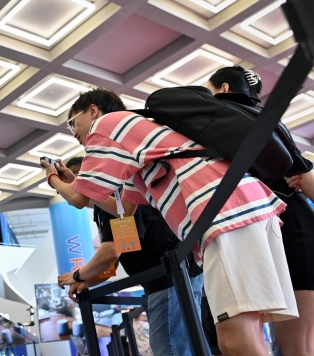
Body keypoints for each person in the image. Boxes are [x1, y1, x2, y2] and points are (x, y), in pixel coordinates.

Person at [42, 87, 297, 355]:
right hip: (241, 206)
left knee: (235, 339)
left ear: (93, 110)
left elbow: (78, 199)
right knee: (250, 330)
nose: (74, 132)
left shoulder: (107, 125)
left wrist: (52, 178)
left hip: (221, 214)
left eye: (73, 122)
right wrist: (74, 184)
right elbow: (125, 208)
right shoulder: (135, 140)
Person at [207, 65, 314, 356]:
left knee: (296, 346)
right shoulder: (268, 120)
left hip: (287, 228)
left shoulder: (222, 119)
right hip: (294, 223)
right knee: (297, 344)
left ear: (225, 89)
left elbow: (304, 175)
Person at [58, 156, 206, 356]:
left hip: (169, 280)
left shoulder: (114, 199)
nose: (65, 196)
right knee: (184, 346)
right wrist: (88, 280)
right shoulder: (112, 200)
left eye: (63, 189)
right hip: (175, 277)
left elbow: (111, 253)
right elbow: (116, 256)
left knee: (171, 348)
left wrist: (77, 275)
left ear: (79, 179)